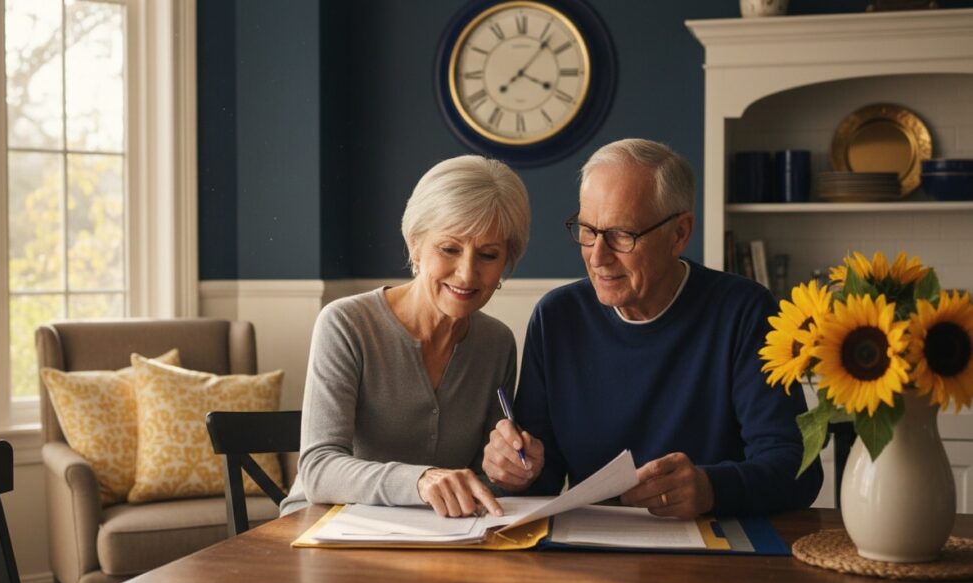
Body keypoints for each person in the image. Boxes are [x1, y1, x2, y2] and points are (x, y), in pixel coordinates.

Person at [482, 139, 821, 518]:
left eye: (622, 235)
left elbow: (798, 470)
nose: (597, 256)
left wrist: (712, 489)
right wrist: (516, 470)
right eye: (587, 230)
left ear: (679, 234)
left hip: (715, 549)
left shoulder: (745, 312)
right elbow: (541, 479)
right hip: (591, 549)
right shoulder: (557, 317)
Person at [280, 155, 531, 518]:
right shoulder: (346, 324)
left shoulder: (497, 344)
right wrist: (420, 481)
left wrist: (509, 472)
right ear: (415, 244)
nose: (466, 274)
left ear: (507, 261)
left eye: (489, 255)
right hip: (324, 527)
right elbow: (318, 468)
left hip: (435, 539)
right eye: (449, 249)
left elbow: (482, 478)